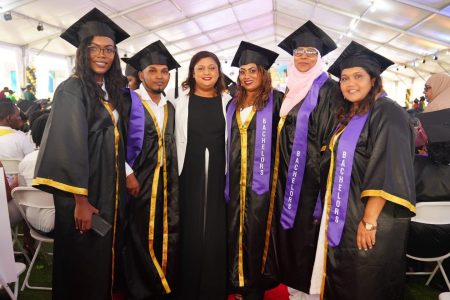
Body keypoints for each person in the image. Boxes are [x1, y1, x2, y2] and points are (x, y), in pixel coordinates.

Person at [32, 8, 130, 300]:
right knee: (83, 262)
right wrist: (81, 201)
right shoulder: (72, 89)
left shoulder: (106, 90)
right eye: (94, 48)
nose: (102, 54)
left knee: (99, 260)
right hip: (84, 194)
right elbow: (68, 148)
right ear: (82, 52)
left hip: (106, 189)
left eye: (109, 49)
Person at [309, 41, 416, 300]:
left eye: (358, 76)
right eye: (344, 78)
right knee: (347, 279)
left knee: (366, 282)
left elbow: (388, 166)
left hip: (374, 218)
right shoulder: (354, 113)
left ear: (373, 80)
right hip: (346, 213)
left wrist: (369, 221)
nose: (350, 83)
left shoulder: (388, 112)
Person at [272, 20, 340, 298]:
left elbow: (328, 138)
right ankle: (292, 291)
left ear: (319, 58)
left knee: (305, 241)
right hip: (286, 176)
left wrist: (316, 182)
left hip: (310, 183)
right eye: (299, 52)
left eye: (311, 52)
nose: (303, 57)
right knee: (289, 240)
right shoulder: (291, 88)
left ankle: (308, 293)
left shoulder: (329, 90)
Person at [122, 40, 180, 300]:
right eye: (153, 71)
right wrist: (127, 174)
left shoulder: (171, 106)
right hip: (138, 182)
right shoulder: (128, 102)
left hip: (167, 184)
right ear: (141, 74)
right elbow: (115, 141)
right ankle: (141, 289)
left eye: (164, 71)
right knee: (138, 234)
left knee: (164, 232)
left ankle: (162, 282)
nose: (159, 76)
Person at [226, 41, 282, 299]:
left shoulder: (278, 102)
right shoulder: (231, 103)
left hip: (263, 183)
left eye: (253, 70)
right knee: (234, 229)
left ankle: (254, 286)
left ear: (263, 73)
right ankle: (237, 282)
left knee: (258, 232)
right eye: (242, 71)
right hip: (234, 180)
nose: (246, 76)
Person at [173, 51, 230, 299]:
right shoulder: (179, 103)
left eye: (212, 68)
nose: (207, 73)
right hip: (189, 172)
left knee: (217, 225)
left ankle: (215, 284)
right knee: (190, 223)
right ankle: (187, 283)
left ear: (219, 73)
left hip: (220, 172)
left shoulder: (229, 102)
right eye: (201, 68)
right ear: (192, 73)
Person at [408, 73, 450, 269]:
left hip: (415, 237)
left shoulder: (436, 112)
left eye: (428, 88)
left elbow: (418, 141)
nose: (425, 93)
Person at [18, 113, 54, 235]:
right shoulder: (67, 160)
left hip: (33, 222)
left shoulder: (25, 161)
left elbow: (22, 195)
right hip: (61, 224)